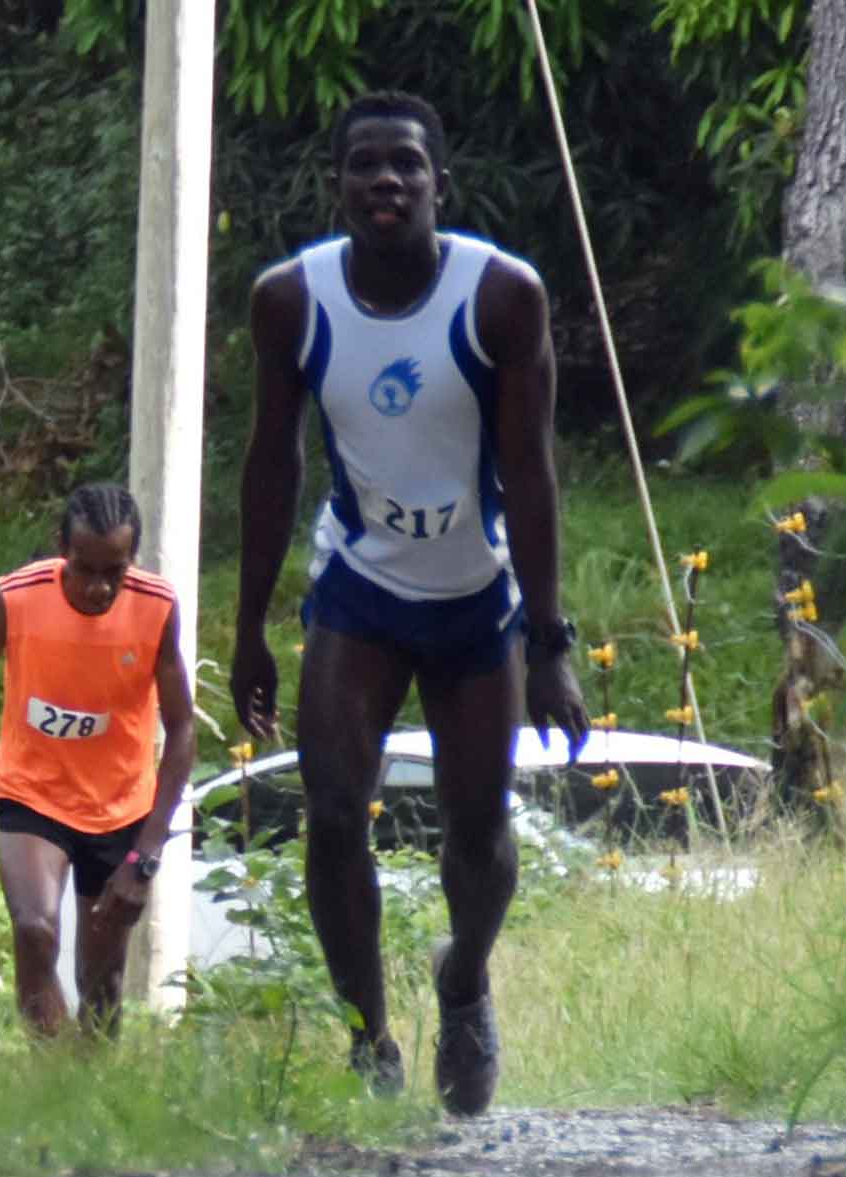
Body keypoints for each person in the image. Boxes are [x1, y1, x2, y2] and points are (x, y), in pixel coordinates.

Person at [232, 91, 590, 1116]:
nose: (384, 183)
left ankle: (463, 981)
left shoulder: (498, 297)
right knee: (333, 811)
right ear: (335, 185)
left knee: (476, 833)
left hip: (475, 598)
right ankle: (367, 1039)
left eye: (405, 168)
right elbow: (270, 464)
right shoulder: (290, 301)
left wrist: (549, 639)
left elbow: (530, 470)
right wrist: (249, 628)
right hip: (358, 589)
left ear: (440, 184)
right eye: (363, 168)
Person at [0, 482, 195, 1038]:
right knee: (36, 930)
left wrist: (146, 855)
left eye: (114, 570)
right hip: (32, 796)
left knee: (103, 985)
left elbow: (182, 726)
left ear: (131, 558)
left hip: (120, 809)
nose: (99, 587)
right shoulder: (18, 599)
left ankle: (88, 1097)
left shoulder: (156, 607)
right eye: (85, 568)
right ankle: (49, 1077)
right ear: (61, 549)